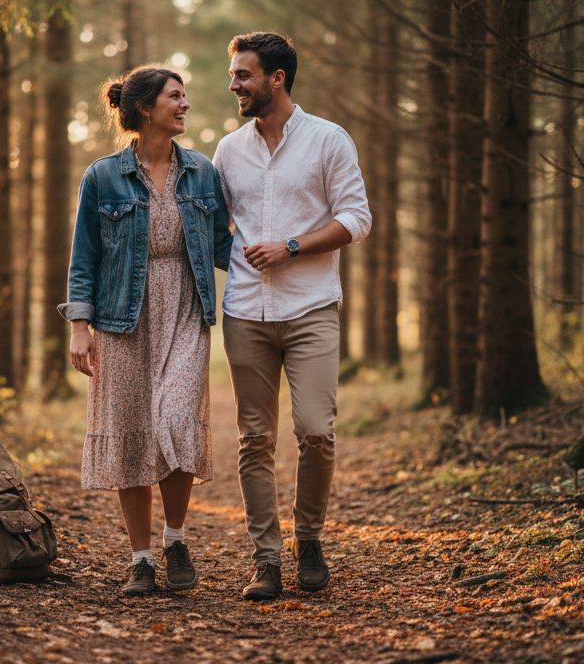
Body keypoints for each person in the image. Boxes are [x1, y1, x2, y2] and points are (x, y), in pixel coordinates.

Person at [58, 65, 233, 597]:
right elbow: (83, 256)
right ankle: (141, 558)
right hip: (120, 316)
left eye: (185, 96)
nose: (185, 105)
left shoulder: (203, 172)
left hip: (184, 303)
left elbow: (226, 244)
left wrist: (283, 253)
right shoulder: (103, 176)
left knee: (176, 418)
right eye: (175, 97)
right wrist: (80, 327)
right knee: (133, 431)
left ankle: (176, 538)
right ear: (144, 109)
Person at [213, 32, 372, 601]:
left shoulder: (329, 140)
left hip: (310, 308)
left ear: (276, 78)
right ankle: (266, 559)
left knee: (315, 431)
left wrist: (293, 246)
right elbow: (213, 225)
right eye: (233, 75)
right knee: (254, 438)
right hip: (245, 313)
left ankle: (309, 539)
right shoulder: (229, 150)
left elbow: (357, 218)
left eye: (243, 75)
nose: (234, 84)